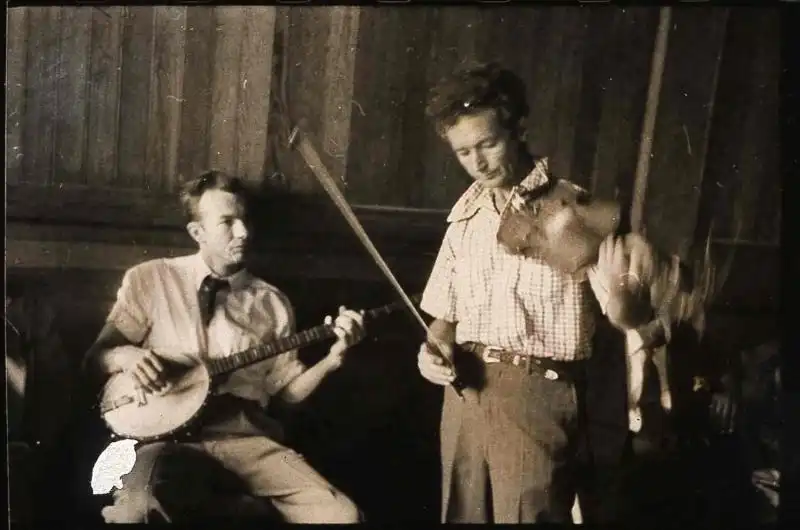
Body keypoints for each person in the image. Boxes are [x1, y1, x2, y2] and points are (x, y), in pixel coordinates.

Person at [414, 62, 669, 523]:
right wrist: (432, 352)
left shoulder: (572, 207)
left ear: (519, 129)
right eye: (464, 152)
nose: (478, 162)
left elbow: (625, 315)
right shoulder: (463, 219)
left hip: (538, 395)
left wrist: (627, 290)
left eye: (488, 143)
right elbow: (444, 320)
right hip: (465, 395)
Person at [82, 170, 367, 523]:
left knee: (341, 516)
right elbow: (96, 358)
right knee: (139, 508)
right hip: (164, 436)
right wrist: (127, 356)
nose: (243, 233)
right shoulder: (150, 279)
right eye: (228, 222)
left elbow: (285, 393)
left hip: (245, 436)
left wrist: (332, 360)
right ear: (197, 232)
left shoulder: (271, 302)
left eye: (245, 220)